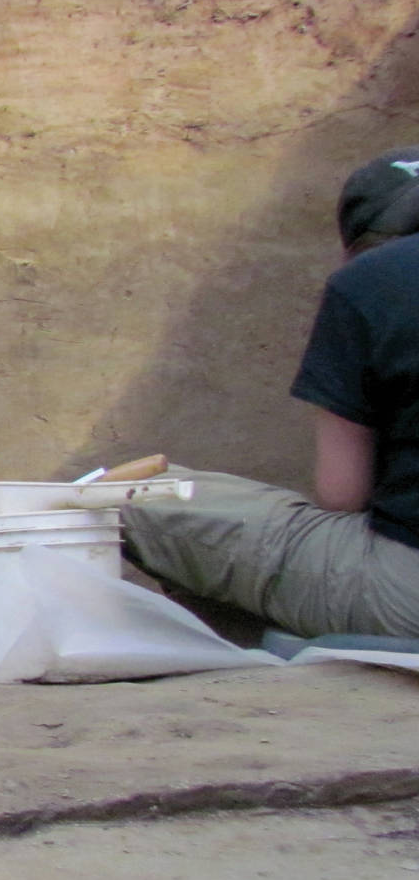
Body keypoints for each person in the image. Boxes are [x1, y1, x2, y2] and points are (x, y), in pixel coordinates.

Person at [122, 148, 419, 639]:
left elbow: (342, 494)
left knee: (133, 500)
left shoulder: (368, 282)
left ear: (362, 244)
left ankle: (264, 655)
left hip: (406, 592)